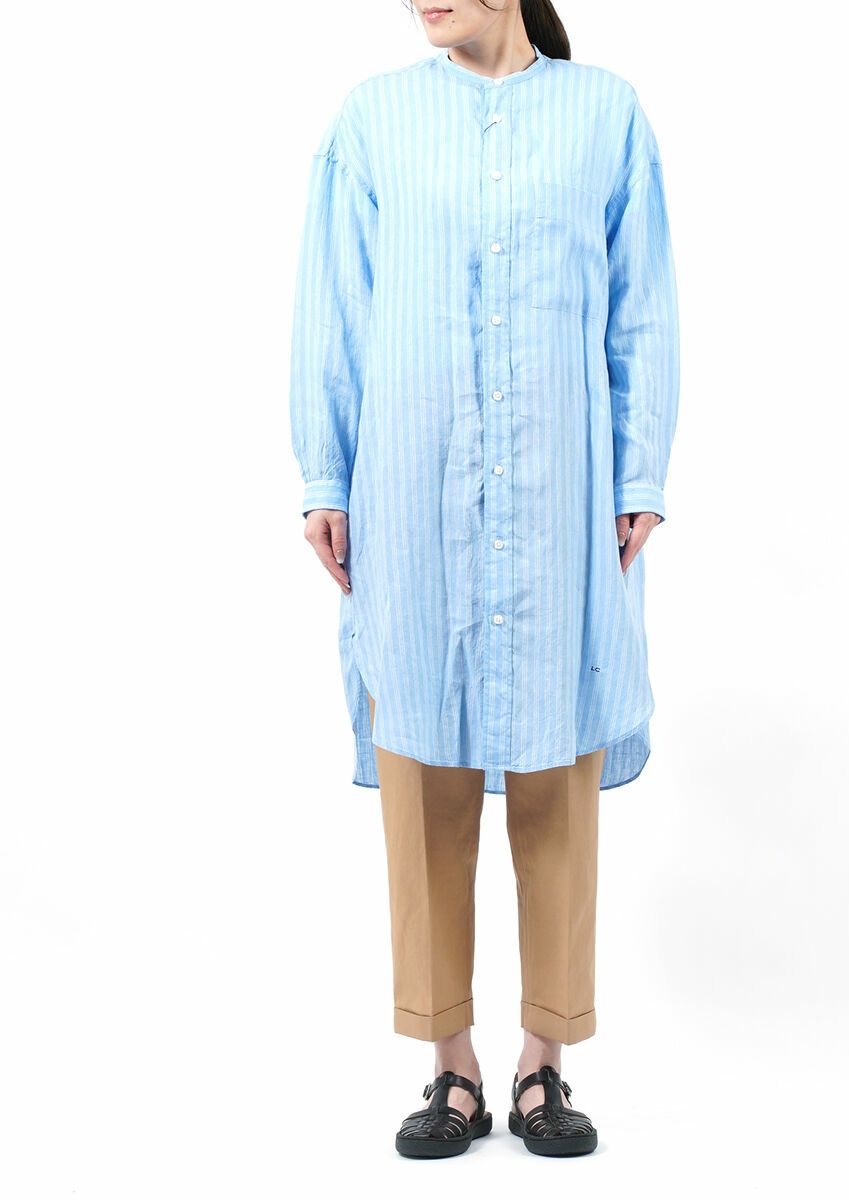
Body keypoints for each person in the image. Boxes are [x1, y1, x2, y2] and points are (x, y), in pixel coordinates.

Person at [289, 0, 680, 1160]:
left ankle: (543, 1060)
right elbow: (336, 306)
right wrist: (325, 473)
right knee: (423, 762)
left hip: (562, 489)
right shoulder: (371, 121)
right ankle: (449, 1064)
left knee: (557, 760)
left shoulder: (605, 114)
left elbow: (640, 306)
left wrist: (640, 468)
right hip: (411, 485)